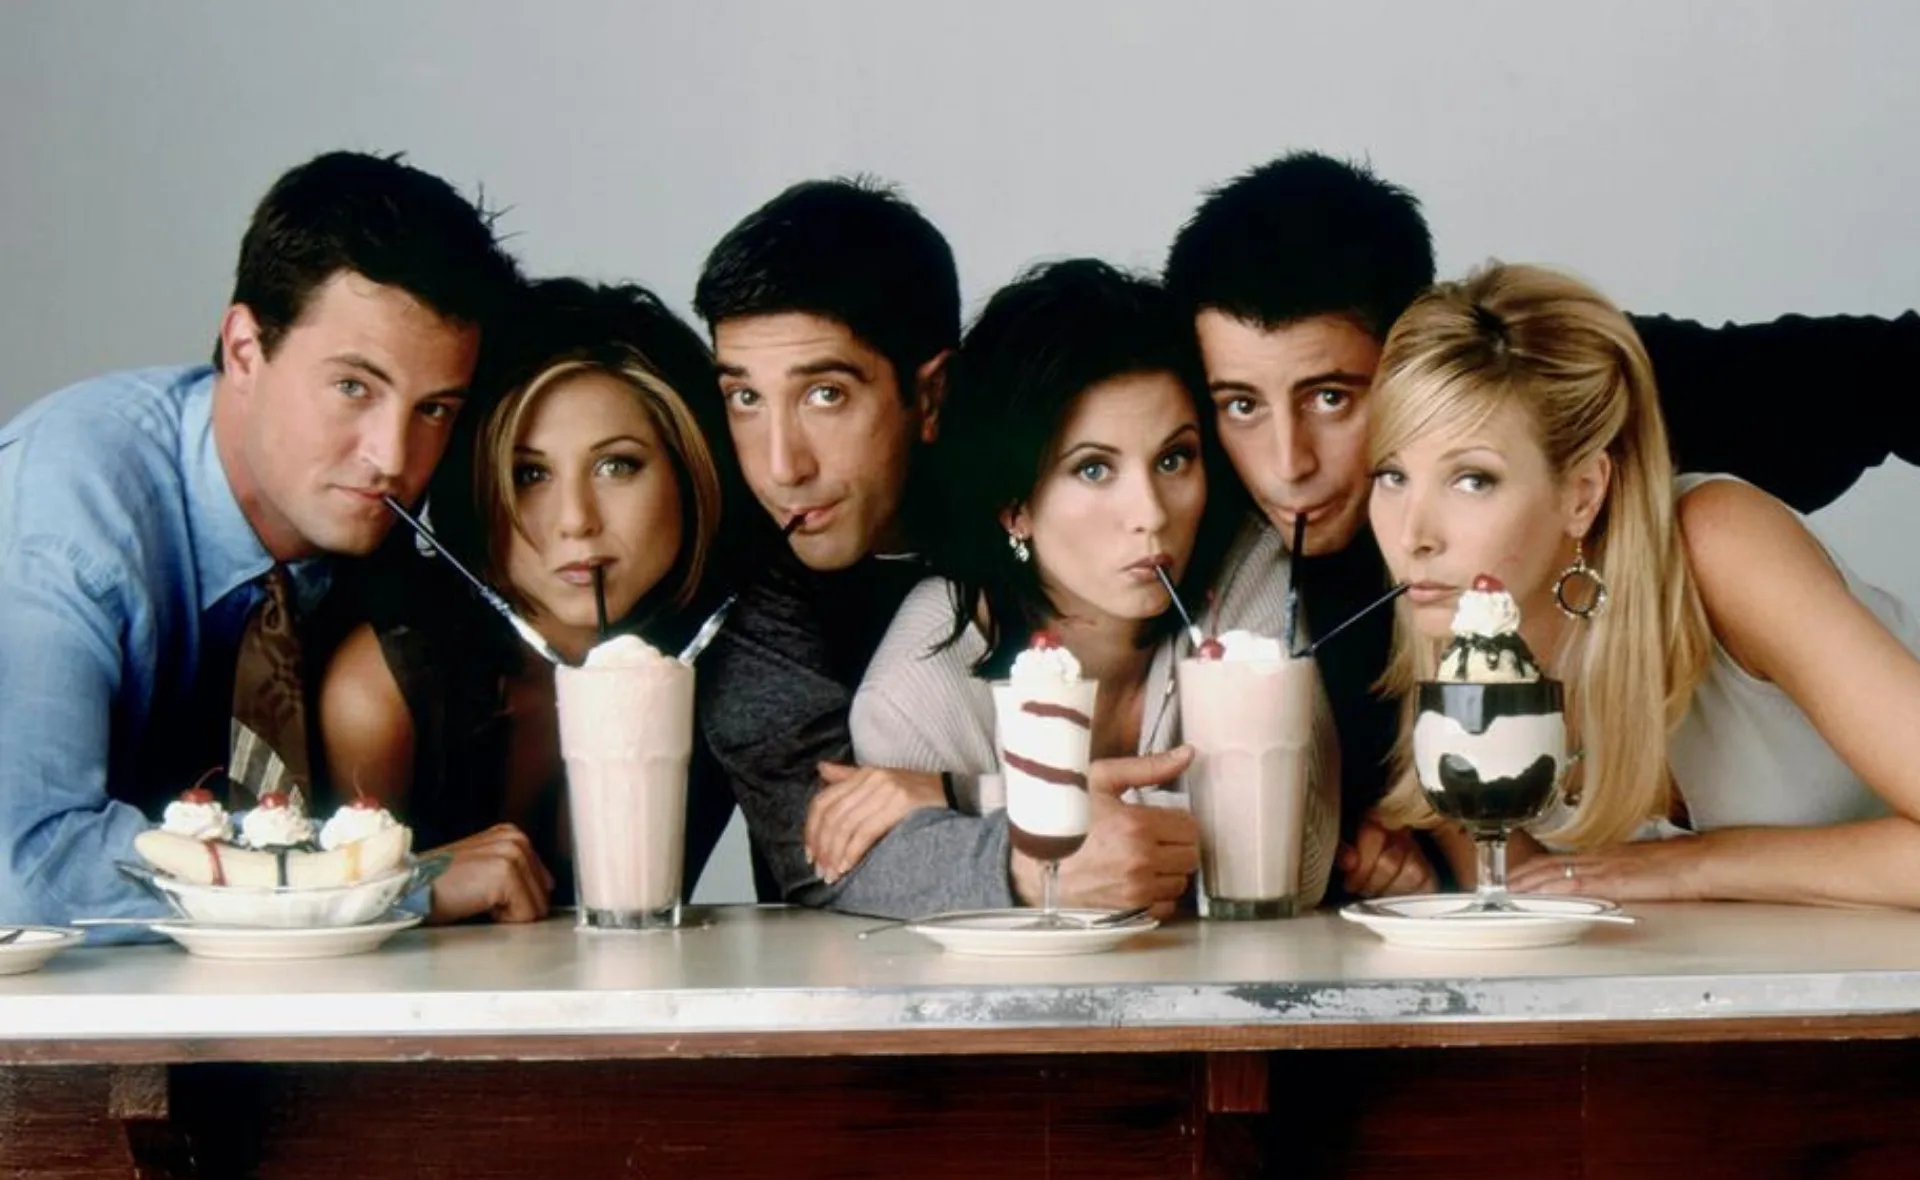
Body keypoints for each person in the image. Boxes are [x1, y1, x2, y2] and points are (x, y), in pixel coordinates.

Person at [1162, 150, 1920, 900]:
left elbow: (1882, 374)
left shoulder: (1677, 490)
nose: (1288, 465)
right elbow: (1523, 893)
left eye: (1331, 397)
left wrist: (1695, 865)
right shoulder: (1407, 600)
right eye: (1393, 475)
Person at [0, 151, 521, 934]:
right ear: (245, 349)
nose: (393, 457)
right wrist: (385, 890)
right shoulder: (72, 511)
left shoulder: (392, 519)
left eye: (434, 409)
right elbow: (26, 866)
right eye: (354, 387)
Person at [1365, 262, 1920, 908]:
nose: (1413, 535)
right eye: (1392, 475)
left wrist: (1693, 867)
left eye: (1472, 479)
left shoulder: (1719, 545)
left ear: (1582, 493)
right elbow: (1524, 912)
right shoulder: (1445, 629)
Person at [843, 258, 1340, 918]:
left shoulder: (1243, 568)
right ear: (1013, 505)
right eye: (1095, 468)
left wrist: (966, 796)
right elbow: (913, 898)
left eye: (1174, 459)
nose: (1152, 512)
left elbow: (1296, 862)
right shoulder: (926, 677)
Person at [318, 279, 731, 924]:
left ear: (691, 471)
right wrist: (413, 887)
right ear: (477, 490)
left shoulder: (730, 661)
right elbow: (324, 933)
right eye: (529, 475)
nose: (575, 521)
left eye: (617, 465)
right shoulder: (382, 692)